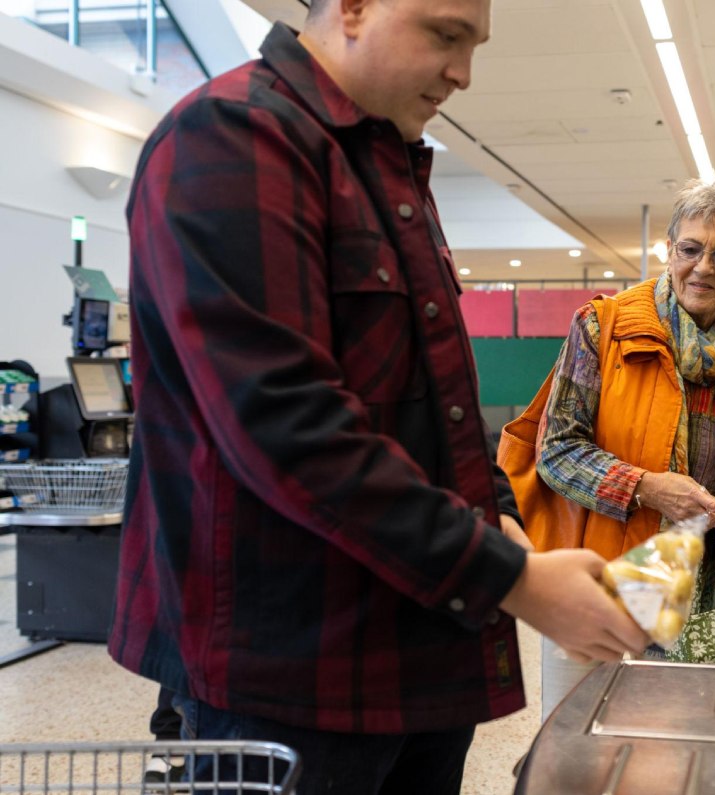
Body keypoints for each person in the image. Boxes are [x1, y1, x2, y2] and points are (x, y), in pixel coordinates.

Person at [107, 0, 647, 792]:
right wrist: (513, 578)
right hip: (283, 685)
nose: (464, 72)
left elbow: (440, 402)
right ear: (353, 7)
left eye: (474, 44)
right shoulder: (232, 137)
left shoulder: (385, 164)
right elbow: (289, 428)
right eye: (445, 34)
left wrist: (504, 524)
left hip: (410, 662)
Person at [533, 173, 715, 719]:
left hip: (700, 600)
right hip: (602, 579)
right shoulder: (601, 328)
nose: (703, 268)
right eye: (690, 249)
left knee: (667, 754)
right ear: (668, 249)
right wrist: (645, 488)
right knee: (580, 753)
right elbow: (555, 451)